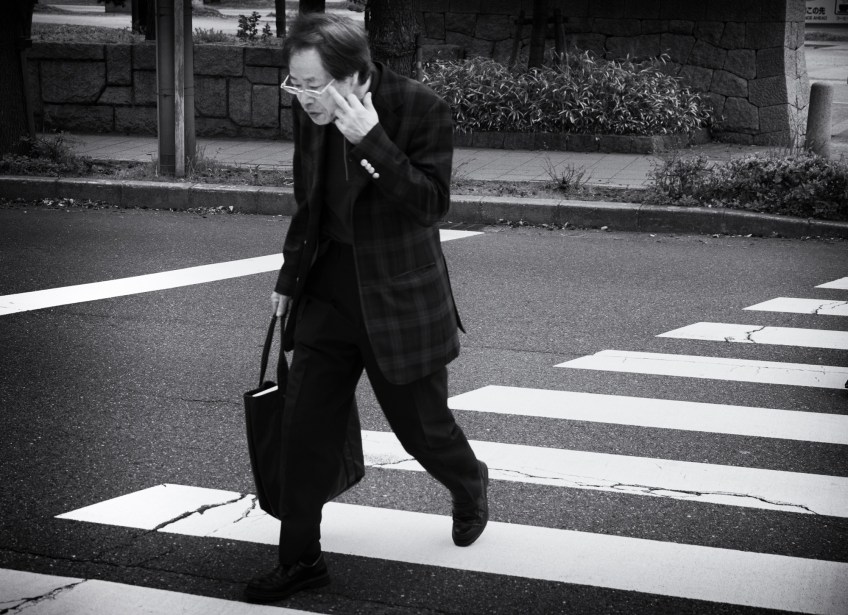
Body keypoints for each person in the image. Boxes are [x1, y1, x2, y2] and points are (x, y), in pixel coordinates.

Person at [244, 13, 489, 604]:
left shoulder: (420, 108)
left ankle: (469, 483)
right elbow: (309, 203)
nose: (303, 97)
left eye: (313, 85)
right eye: (295, 84)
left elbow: (431, 205)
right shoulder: (311, 112)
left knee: (423, 432)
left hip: (398, 301)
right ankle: (301, 559)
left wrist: (371, 141)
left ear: (355, 75)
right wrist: (289, 278)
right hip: (327, 293)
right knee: (302, 431)